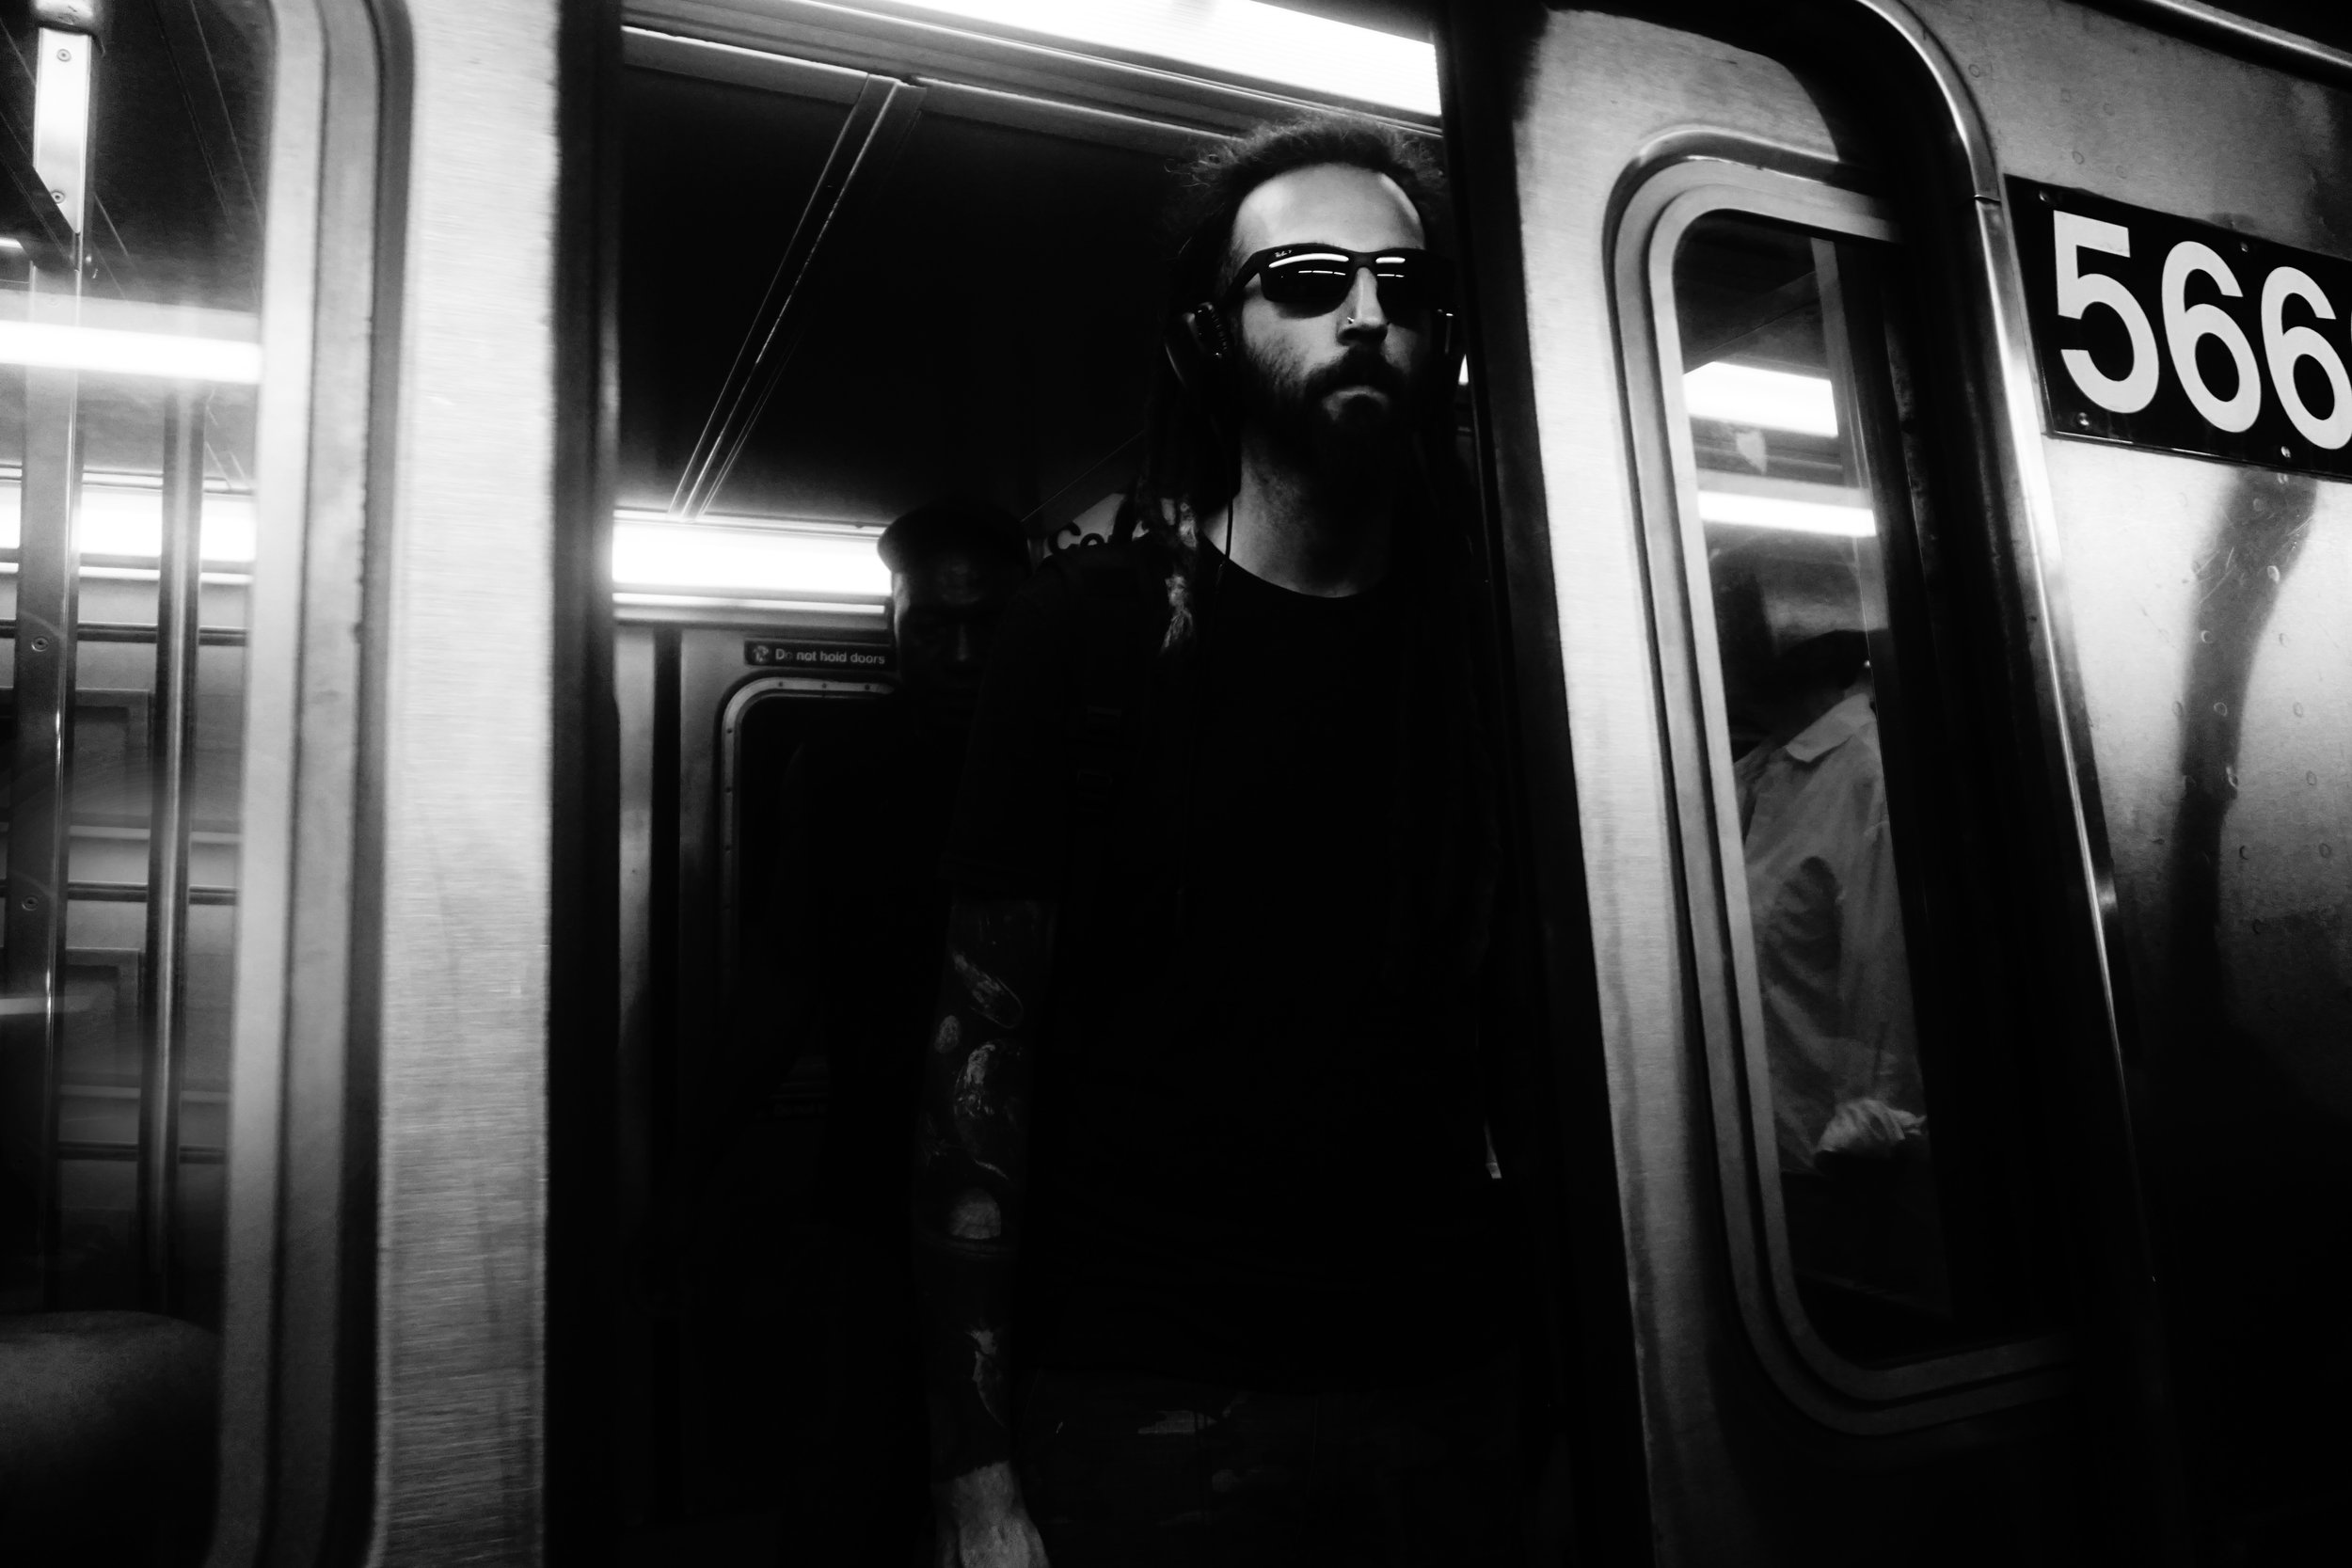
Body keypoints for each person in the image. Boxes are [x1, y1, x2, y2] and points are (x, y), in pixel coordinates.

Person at [912, 118, 1518, 1567]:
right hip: (1155, 1397)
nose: (1363, 313)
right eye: (1306, 279)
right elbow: (980, 1066)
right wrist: (973, 1477)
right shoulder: (1092, 637)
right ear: (1208, 338)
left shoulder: (1500, 652)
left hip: (1452, 1383)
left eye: (1400, 285)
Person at [767, 498, 1029, 1567]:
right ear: (893, 624)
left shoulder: (1068, 771)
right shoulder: (838, 768)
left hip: (1035, 1196)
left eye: (985, 626)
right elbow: (782, 981)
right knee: (858, 1478)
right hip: (874, 1184)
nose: (961, 656)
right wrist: (688, 1174)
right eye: (933, 628)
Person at [1731, 625, 1946, 1320]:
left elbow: (1883, 979)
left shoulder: (1866, 776)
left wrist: (1868, 1130)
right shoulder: (1752, 772)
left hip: (1825, 1164)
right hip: (1743, 1145)